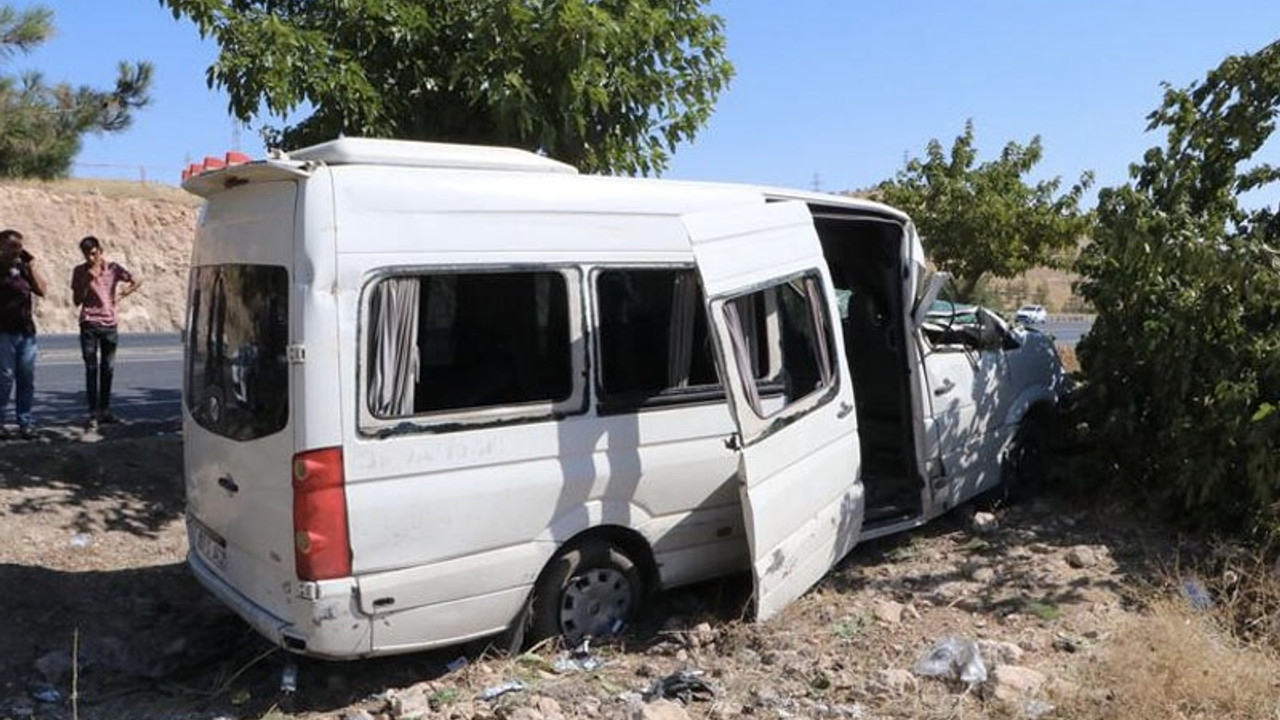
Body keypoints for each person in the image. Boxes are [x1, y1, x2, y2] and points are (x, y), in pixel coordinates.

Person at [71, 235, 141, 429]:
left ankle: (105, 410)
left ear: (100, 251)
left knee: (107, 369)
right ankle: (93, 412)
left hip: (109, 324)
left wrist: (121, 295)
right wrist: (85, 283)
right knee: (91, 368)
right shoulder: (79, 271)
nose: (90, 258)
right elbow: (76, 300)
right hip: (89, 323)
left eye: (93, 253)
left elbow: (135, 280)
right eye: (86, 254)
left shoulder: (113, 269)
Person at [0, 229, 48, 439]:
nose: (17, 250)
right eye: (12, 246)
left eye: (19, 246)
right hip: (3, 332)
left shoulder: (23, 268)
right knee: (5, 378)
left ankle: (25, 422)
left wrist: (31, 266)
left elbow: (42, 290)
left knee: (26, 378)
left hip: (26, 332)